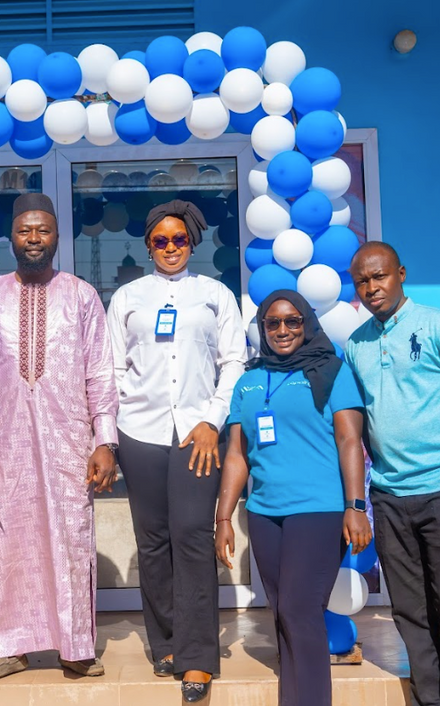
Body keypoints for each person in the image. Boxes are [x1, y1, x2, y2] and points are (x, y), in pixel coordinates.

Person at [0, 193, 119, 681]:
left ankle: (74, 646)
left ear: (56, 238)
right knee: (8, 543)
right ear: (12, 238)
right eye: (25, 231)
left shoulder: (81, 294)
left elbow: (101, 375)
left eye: (43, 231)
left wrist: (104, 441)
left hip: (71, 441)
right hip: (5, 446)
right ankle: (11, 646)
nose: (33, 239)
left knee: (72, 538)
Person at [344, 241, 440, 706]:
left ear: (401, 274)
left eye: (380, 276)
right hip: (390, 494)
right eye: (362, 281)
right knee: (411, 612)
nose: (372, 287)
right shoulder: (356, 343)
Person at [106, 200, 246, 700]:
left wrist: (211, 420)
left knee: (191, 535)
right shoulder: (127, 296)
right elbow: (113, 368)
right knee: (153, 542)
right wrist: (111, 431)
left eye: (179, 240)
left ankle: (198, 656)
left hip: (196, 434)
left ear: (192, 243)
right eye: (161, 241)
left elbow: (233, 362)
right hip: (138, 431)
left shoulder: (215, 294)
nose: (170, 248)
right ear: (148, 245)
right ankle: (164, 642)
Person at [214, 290, 371, 706]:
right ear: (262, 329)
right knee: (283, 613)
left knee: (301, 611)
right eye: (273, 323)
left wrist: (356, 507)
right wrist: (224, 518)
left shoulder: (332, 371)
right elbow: (236, 454)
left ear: (307, 324)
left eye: (292, 321)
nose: (282, 330)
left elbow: (350, 440)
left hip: (319, 510)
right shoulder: (247, 382)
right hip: (265, 514)